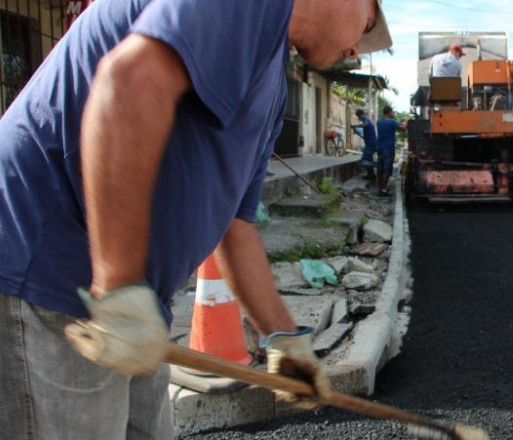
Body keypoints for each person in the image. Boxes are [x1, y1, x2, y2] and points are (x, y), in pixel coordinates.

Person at [0, 1, 391, 438]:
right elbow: (130, 82)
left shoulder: (271, 82)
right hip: (51, 274)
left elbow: (235, 226)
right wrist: (117, 286)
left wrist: (283, 338)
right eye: (368, 25)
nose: (358, 50)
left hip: (138, 304)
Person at [375, 106, 407, 197]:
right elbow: (403, 128)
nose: (393, 114)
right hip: (388, 149)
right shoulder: (391, 121)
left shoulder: (379, 121)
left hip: (380, 148)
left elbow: (393, 126)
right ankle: (383, 190)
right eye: (392, 112)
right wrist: (407, 122)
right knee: (387, 169)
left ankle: (380, 188)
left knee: (380, 169)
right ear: (390, 112)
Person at [353, 108, 378, 181]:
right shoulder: (365, 121)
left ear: (362, 115)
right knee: (368, 160)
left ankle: (371, 176)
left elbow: (366, 125)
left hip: (371, 144)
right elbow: (363, 135)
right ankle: (371, 175)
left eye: (359, 116)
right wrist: (356, 130)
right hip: (369, 143)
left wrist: (356, 126)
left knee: (366, 159)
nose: (358, 118)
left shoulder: (367, 120)